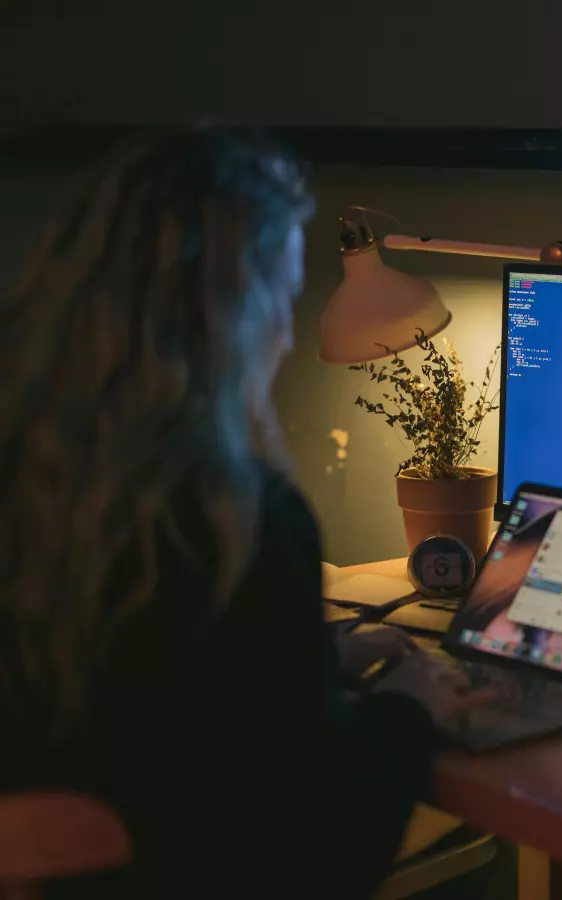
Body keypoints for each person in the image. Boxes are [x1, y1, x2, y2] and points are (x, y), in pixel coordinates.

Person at [0, 127, 470, 899]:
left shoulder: (36, 473)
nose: (287, 339)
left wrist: (307, 660)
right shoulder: (235, 518)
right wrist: (407, 710)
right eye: (285, 300)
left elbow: (144, 689)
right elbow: (323, 852)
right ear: (237, 309)